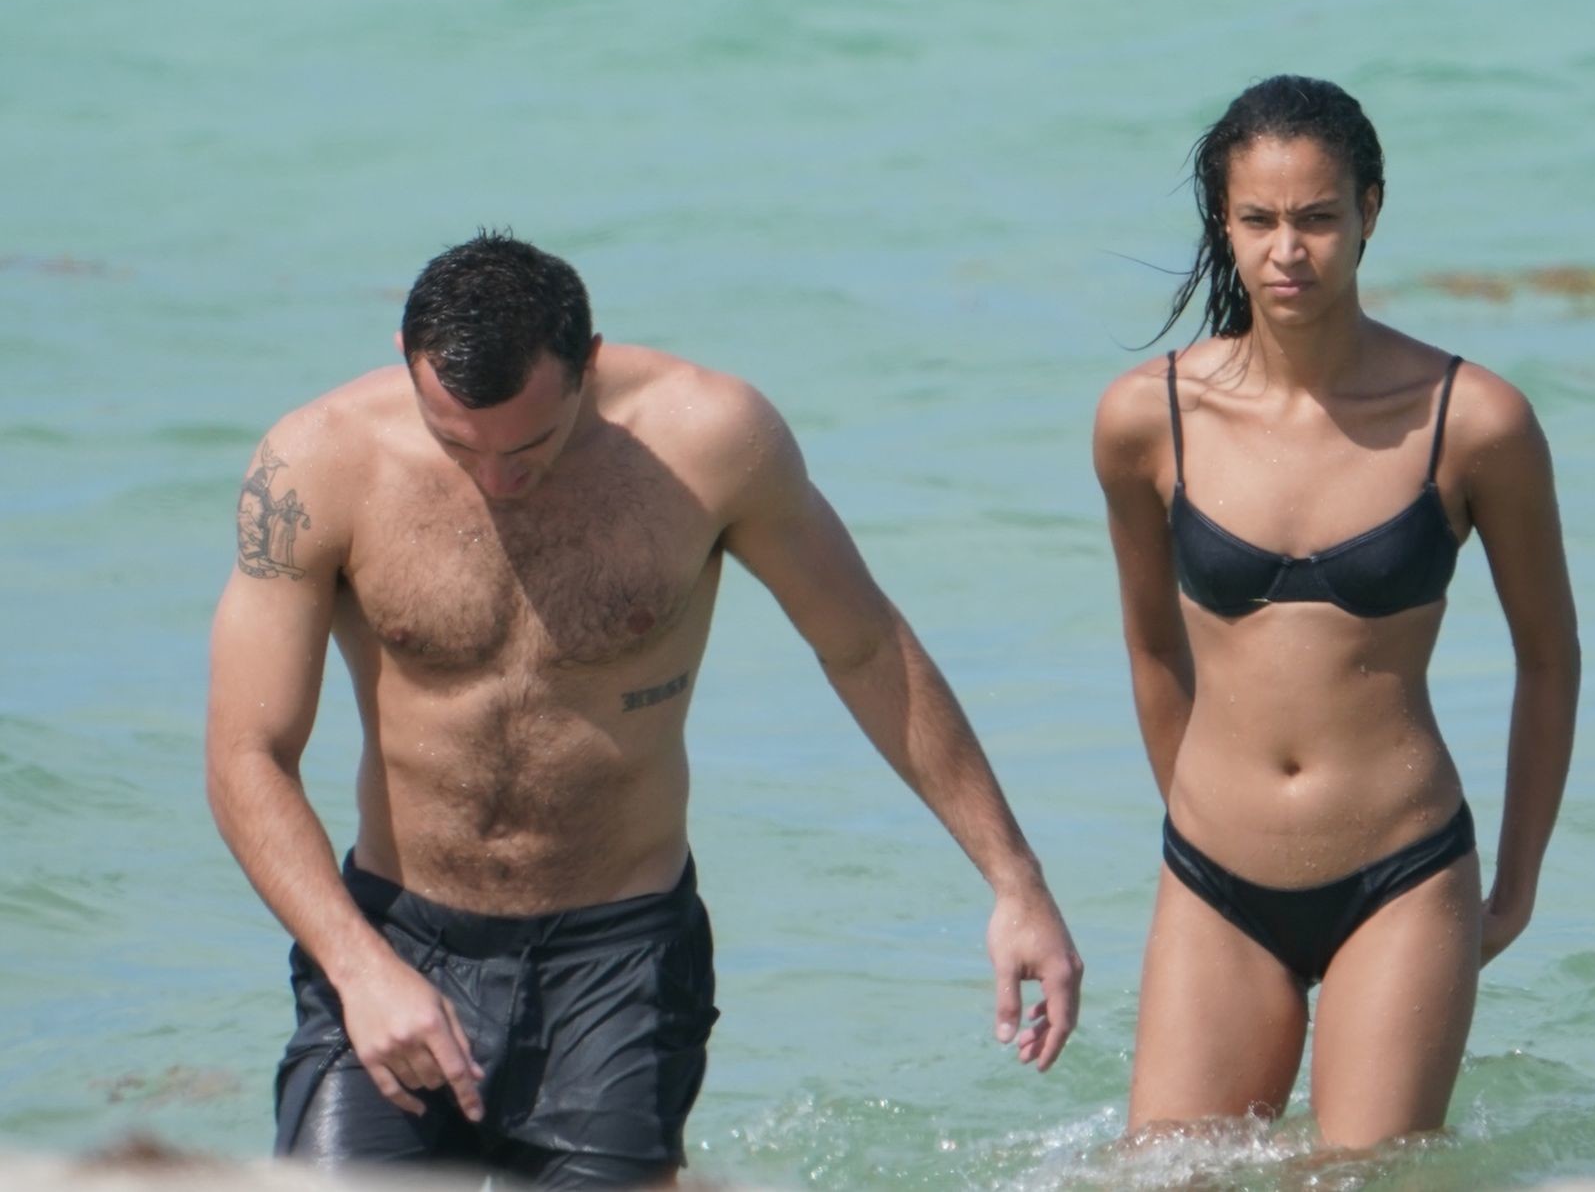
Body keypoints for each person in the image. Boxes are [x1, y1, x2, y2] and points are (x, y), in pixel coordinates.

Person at [206, 232, 1083, 1189]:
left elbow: (865, 647)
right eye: (456, 442)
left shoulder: (711, 441)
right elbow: (247, 753)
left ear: (588, 362)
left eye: (529, 445)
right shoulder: (317, 463)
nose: (495, 479)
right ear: (404, 361)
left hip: (618, 958)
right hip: (395, 939)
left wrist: (1015, 878)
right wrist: (358, 968)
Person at [1092, 76, 1578, 1149]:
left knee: (1352, 1180)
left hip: (1400, 872)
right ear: (1224, 223)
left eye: (1316, 217)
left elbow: (1549, 659)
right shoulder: (1148, 418)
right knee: (1165, 1175)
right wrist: (1205, 817)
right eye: (1258, 220)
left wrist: (1517, 886)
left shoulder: (1472, 420)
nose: (1288, 252)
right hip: (1214, 879)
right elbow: (1152, 645)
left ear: (1370, 211)